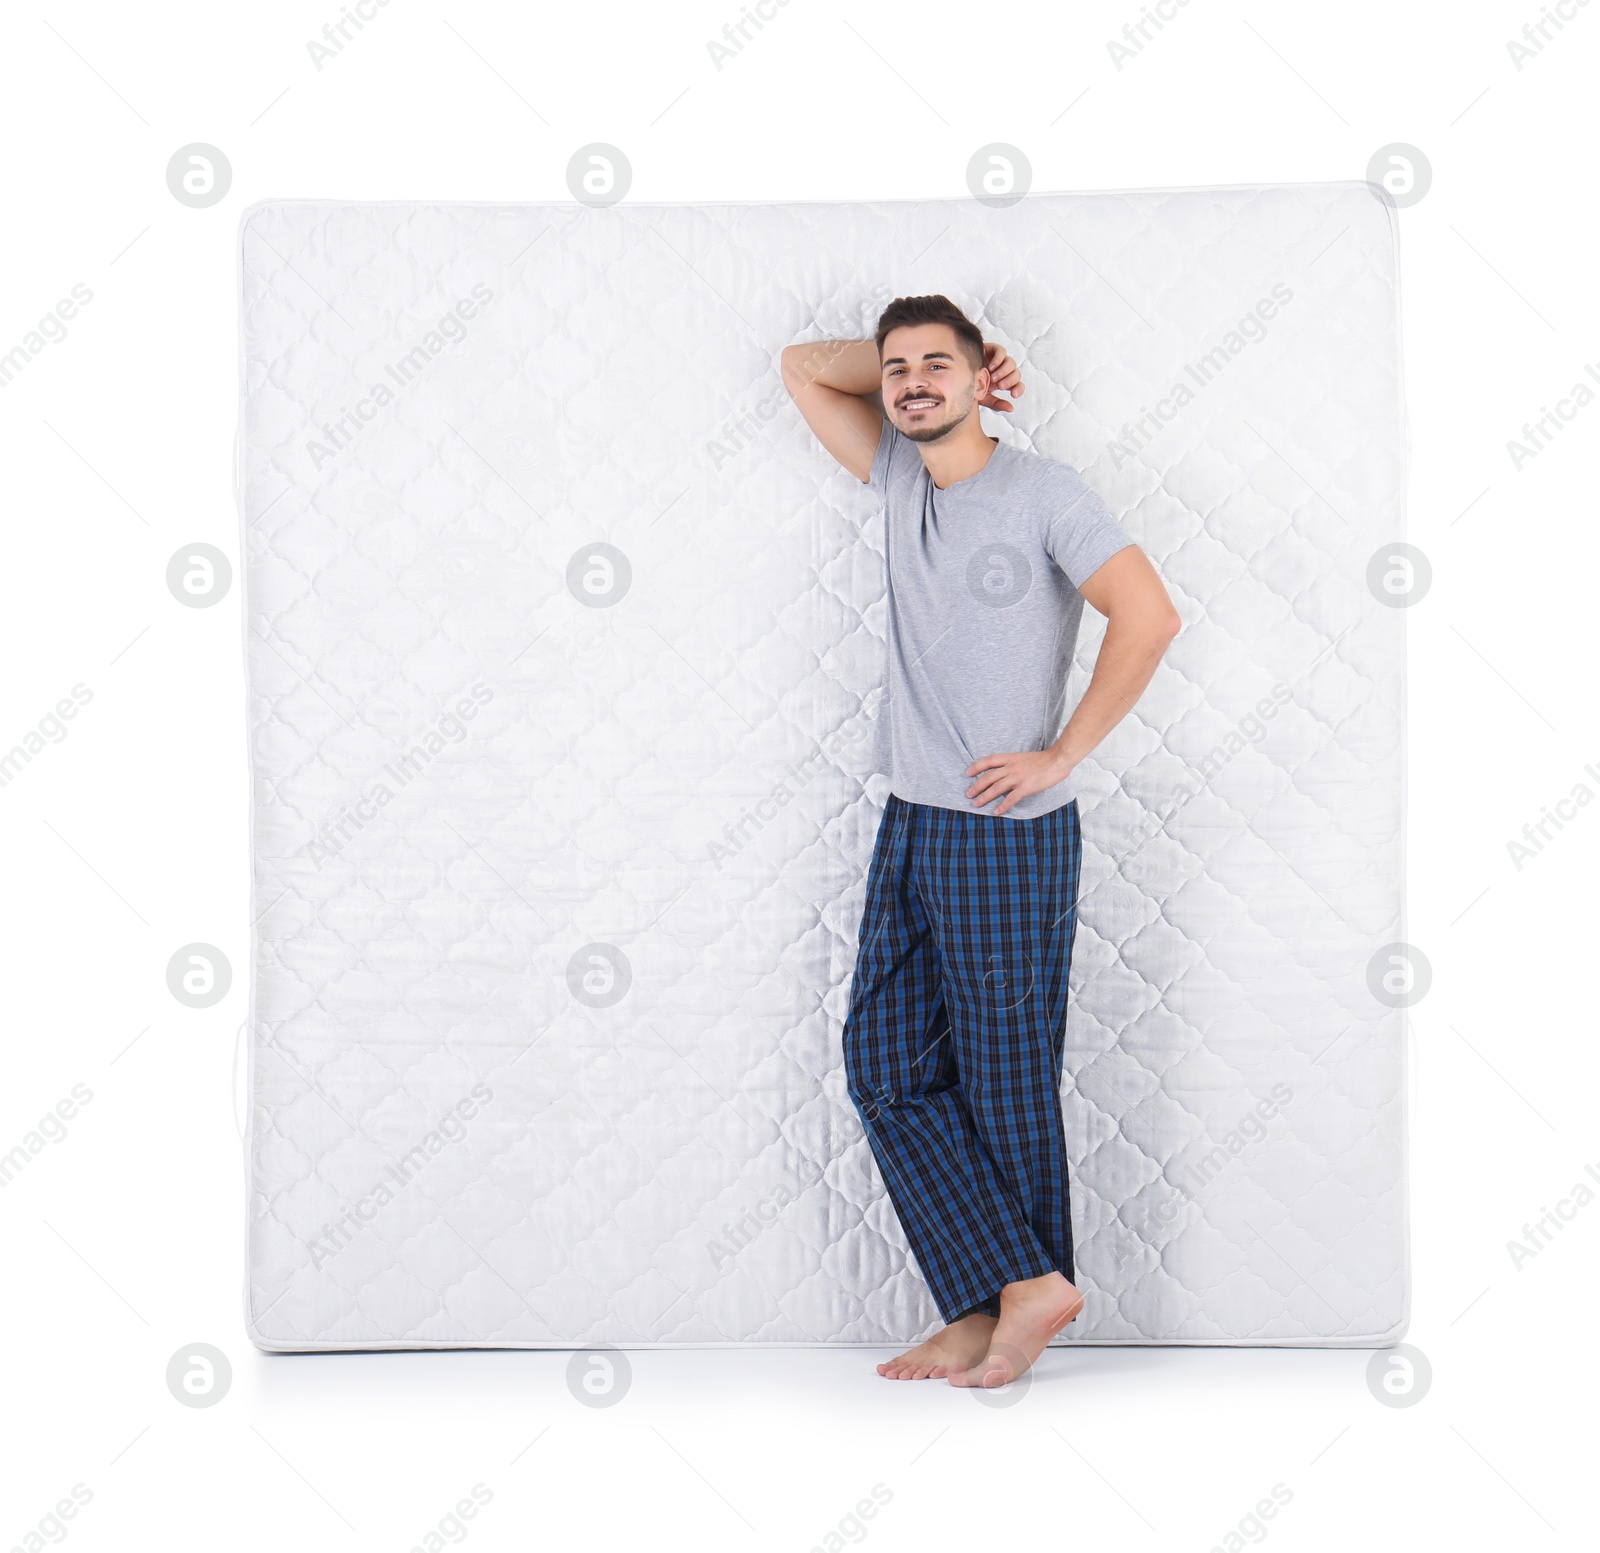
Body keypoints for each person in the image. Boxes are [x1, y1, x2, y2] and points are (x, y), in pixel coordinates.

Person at [779, 295, 1180, 1387]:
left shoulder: (1044, 490)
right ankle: (1000, 1291)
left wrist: (1062, 753)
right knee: (885, 1067)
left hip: (1005, 832)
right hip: (912, 815)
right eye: (896, 366)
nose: (909, 381)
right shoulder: (901, 476)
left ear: (980, 377)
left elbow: (1148, 616)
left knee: (1002, 1078)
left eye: (935, 364)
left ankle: (1010, 1303)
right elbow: (800, 368)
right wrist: (903, 357)